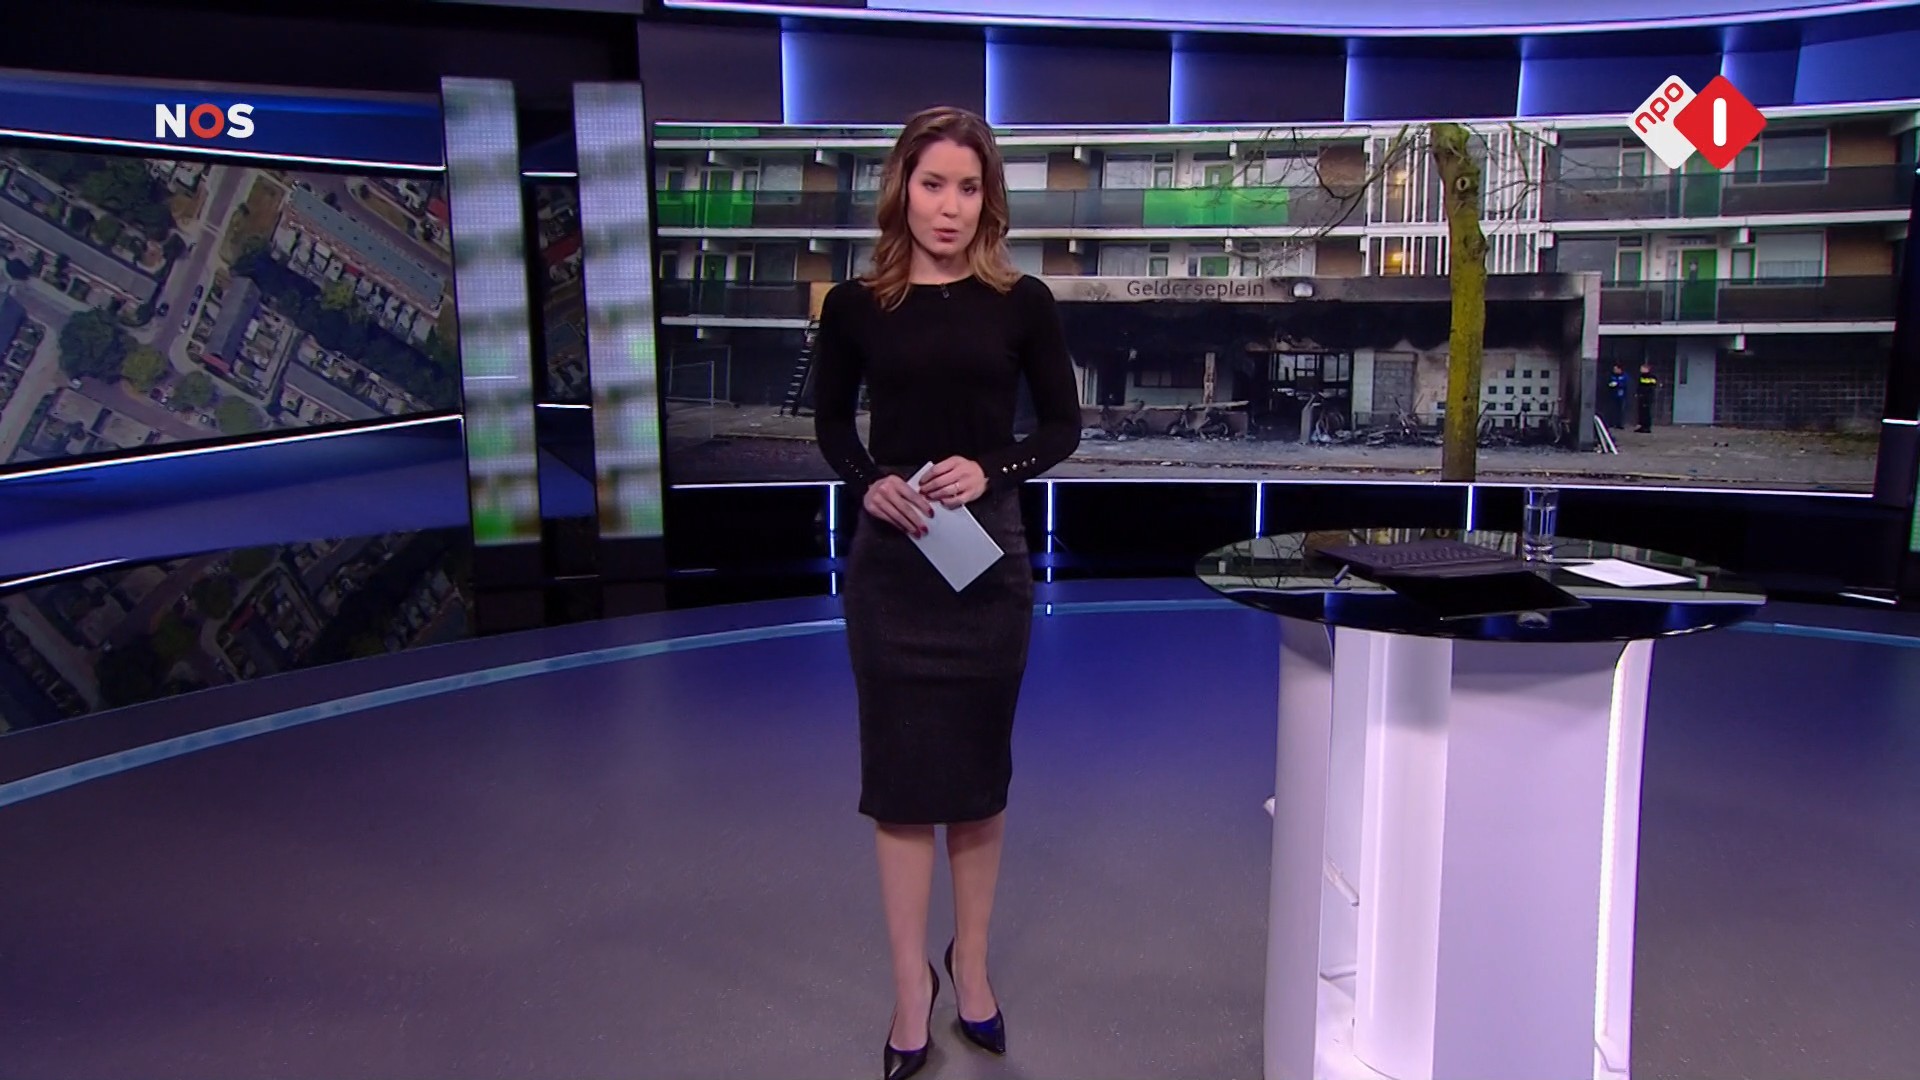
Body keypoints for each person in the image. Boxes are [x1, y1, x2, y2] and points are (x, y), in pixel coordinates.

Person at [811, 105, 1083, 1080]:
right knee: (899, 788)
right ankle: (907, 989)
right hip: (893, 566)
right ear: (903, 189)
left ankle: (970, 965)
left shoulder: (1022, 302)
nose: (950, 206)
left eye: (969, 187)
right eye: (933, 184)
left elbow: (1061, 427)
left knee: (972, 783)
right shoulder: (855, 305)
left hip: (984, 561)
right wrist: (868, 481)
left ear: (988, 199)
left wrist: (992, 467)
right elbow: (831, 425)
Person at [1605, 363, 1630, 431]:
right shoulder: (1612, 376)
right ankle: (1611, 423)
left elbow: (1626, 384)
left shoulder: (1624, 376)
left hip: (1621, 395)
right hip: (1613, 395)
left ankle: (1619, 424)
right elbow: (1608, 382)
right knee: (1612, 409)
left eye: (1616, 369)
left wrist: (1618, 384)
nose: (1614, 370)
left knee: (1620, 410)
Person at [1635, 362, 1659, 433]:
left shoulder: (1652, 377)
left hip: (1647, 397)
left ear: (1647, 369)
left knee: (1646, 413)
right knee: (1641, 412)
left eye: (1642, 368)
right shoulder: (1641, 376)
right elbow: (1639, 386)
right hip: (1641, 397)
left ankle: (1647, 427)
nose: (1641, 370)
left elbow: (1650, 386)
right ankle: (1642, 426)